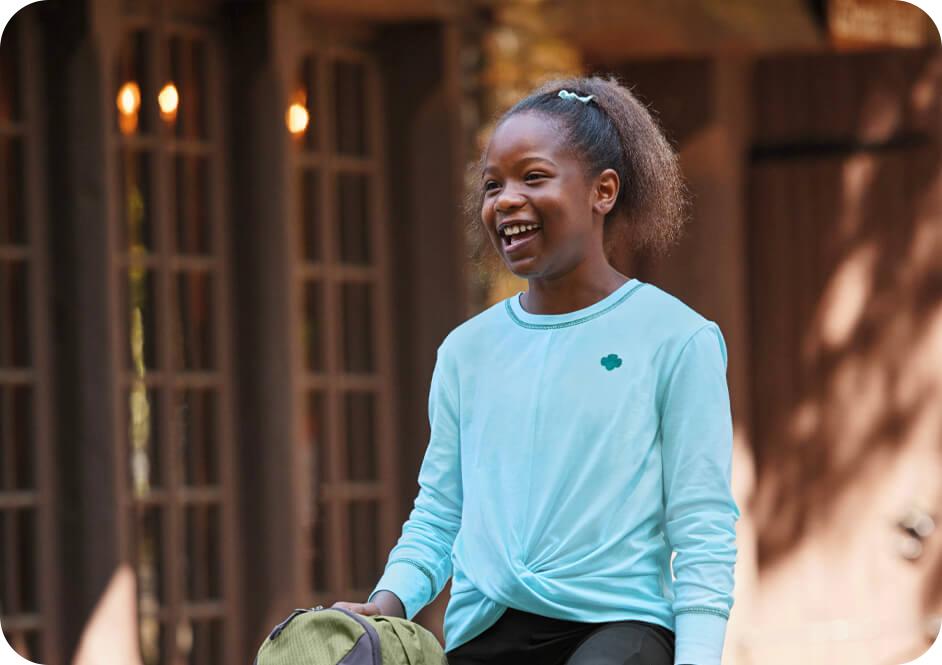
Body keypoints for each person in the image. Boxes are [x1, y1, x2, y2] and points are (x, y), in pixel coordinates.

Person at [332, 75, 740, 665]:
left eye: (534, 176)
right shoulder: (465, 352)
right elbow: (442, 510)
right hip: (485, 631)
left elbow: (702, 524)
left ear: (603, 191)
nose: (505, 200)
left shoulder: (679, 339)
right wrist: (388, 603)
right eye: (492, 184)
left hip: (620, 629)